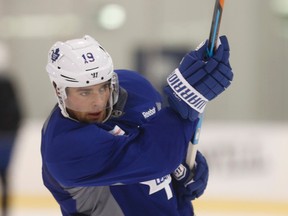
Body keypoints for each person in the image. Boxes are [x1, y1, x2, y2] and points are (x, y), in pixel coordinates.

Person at [41, 35, 233, 216]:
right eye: (85, 93)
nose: (98, 102)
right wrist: (187, 99)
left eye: (103, 88)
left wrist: (183, 161)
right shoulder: (63, 148)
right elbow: (153, 158)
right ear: (59, 91)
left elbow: (161, 138)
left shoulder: (136, 88)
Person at [0, 72, 22, 216]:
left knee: (4, 174)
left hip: (6, 134)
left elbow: (16, 113)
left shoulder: (6, 83)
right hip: (8, 133)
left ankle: (6, 210)